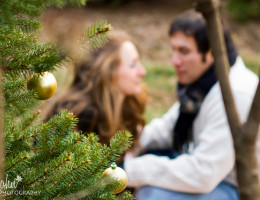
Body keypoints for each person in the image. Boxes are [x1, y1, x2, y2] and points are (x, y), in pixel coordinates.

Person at [123, 10, 259, 200]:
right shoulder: (204, 84)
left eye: (184, 51)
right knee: (150, 157)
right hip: (212, 174)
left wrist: (128, 170)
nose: (175, 61)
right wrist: (127, 146)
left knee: (152, 195)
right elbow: (167, 128)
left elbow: (203, 174)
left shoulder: (235, 94)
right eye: (174, 50)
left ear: (211, 52)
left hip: (232, 186)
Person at [46, 31, 147, 155]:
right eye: (132, 65)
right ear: (109, 71)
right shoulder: (83, 117)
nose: (142, 72)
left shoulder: (127, 103)